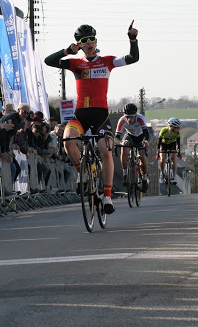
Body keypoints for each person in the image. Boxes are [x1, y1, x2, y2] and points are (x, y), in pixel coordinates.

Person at [44, 21, 140, 214]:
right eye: (83, 41)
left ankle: (107, 196)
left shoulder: (107, 61)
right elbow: (48, 61)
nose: (88, 43)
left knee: (105, 151)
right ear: (79, 44)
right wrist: (66, 51)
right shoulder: (76, 64)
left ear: (96, 41)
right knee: (68, 141)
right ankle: (84, 173)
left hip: (101, 116)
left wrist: (132, 39)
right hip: (81, 115)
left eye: (90, 40)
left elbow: (132, 58)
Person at [114, 102, 150, 192]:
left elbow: (146, 132)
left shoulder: (140, 118)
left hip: (140, 136)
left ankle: (144, 178)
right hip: (129, 136)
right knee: (124, 147)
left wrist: (145, 141)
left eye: (131, 117)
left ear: (135, 115)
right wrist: (121, 142)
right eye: (127, 117)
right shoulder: (122, 120)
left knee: (142, 156)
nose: (129, 119)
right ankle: (125, 174)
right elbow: (116, 137)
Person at [157, 117, 183, 184]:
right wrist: (158, 152)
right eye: (178, 127)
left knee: (173, 158)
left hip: (172, 144)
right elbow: (159, 142)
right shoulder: (164, 130)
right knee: (163, 159)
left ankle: (174, 176)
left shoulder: (177, 133)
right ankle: (162, 174)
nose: (179, 129)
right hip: (164, 144)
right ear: (172, 127)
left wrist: (179, 152)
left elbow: (178, 143)